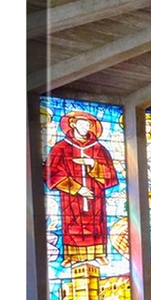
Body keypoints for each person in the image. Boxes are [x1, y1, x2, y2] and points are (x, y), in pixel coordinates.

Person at [44, 110, 119, 267]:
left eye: (88, 124)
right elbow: (51, 173)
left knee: (97, 224)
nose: (85, 127)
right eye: (82, 123)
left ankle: (99, 253)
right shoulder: (61, 148)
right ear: (73, 124)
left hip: (95, 196)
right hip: (72, 198)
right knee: (72, 225)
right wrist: (77, 188)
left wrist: (93, 164)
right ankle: (71, 256)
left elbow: (111, 175)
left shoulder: (100, 149)